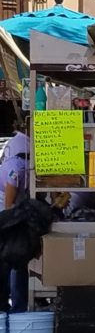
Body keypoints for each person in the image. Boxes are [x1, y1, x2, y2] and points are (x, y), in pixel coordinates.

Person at [0, 130, 29, 313]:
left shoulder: (19, 164)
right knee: (11, 261)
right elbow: (9, 205)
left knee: (16, 262)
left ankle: (16, 306)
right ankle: (9, 306)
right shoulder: (16, 168)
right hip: (6, 217)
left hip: (13, 215)